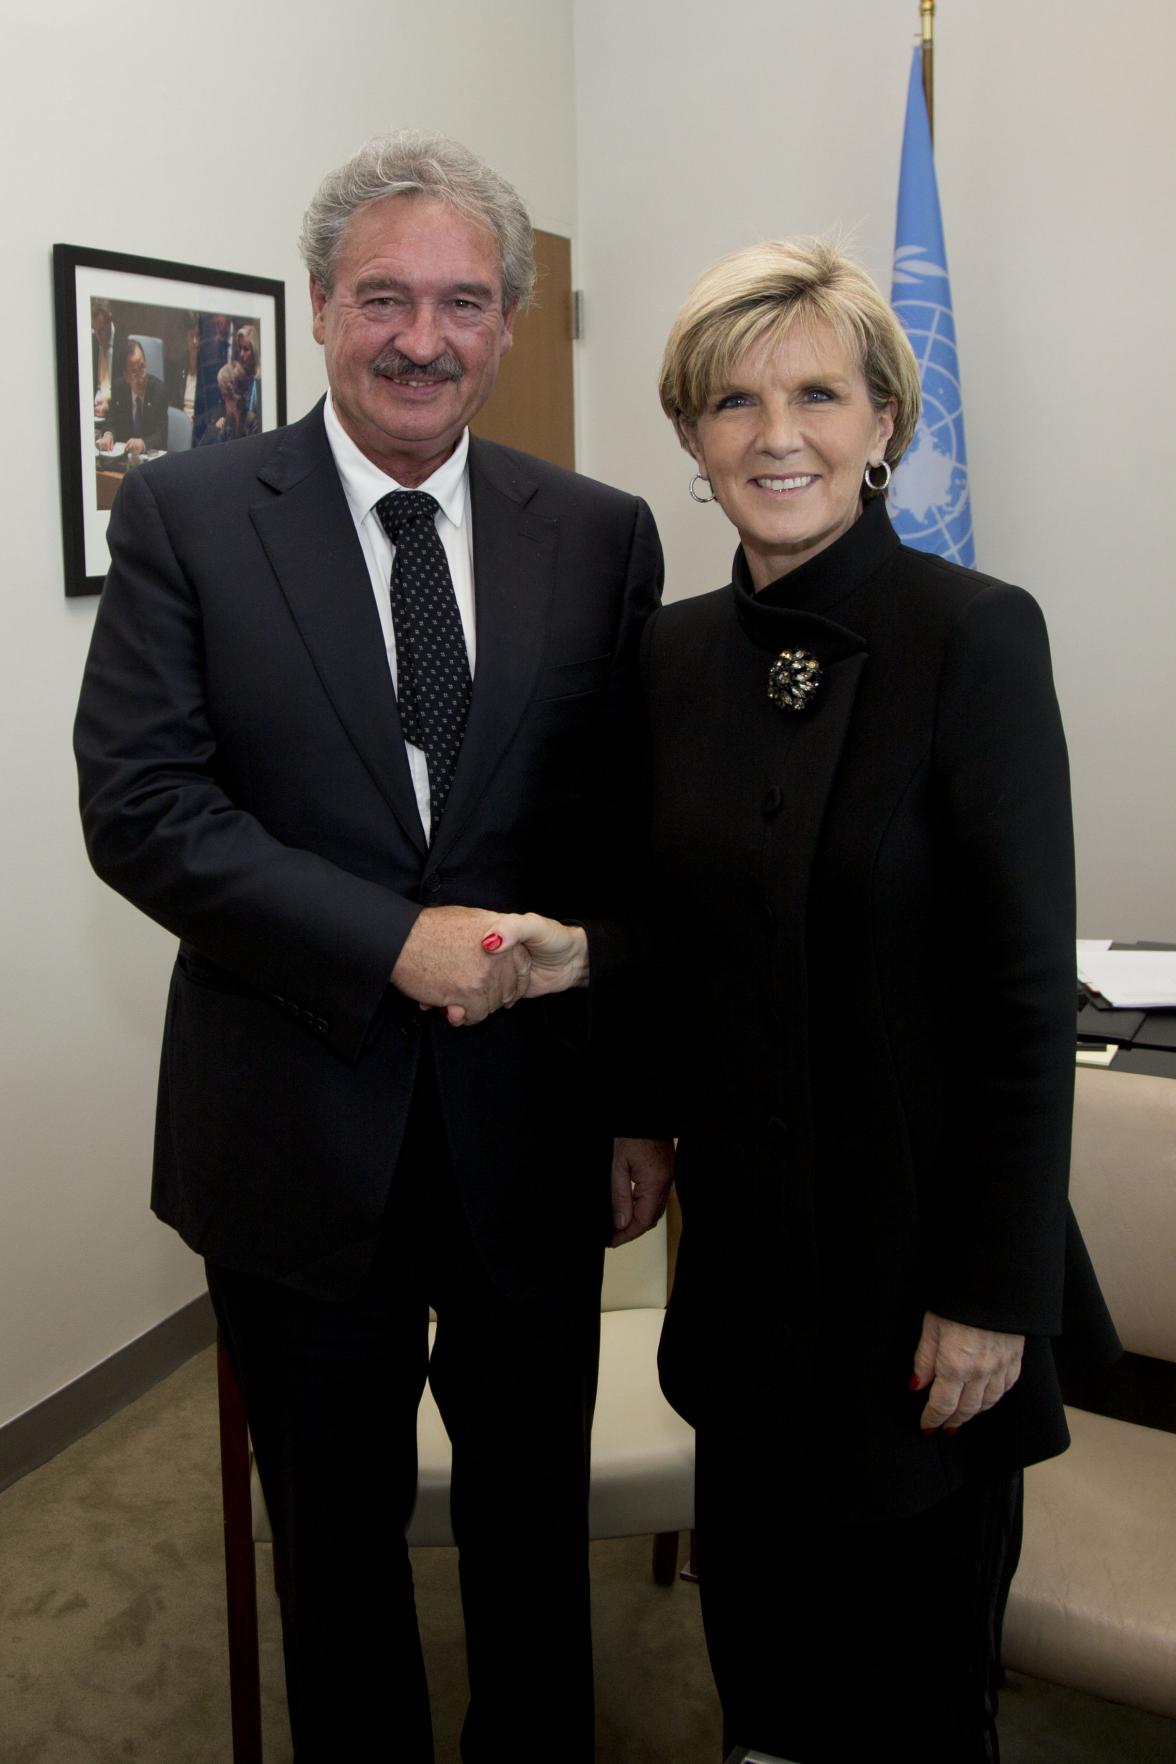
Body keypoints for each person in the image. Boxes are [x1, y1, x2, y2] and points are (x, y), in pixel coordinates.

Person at [74, 131, 671, 1763]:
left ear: (508, 319)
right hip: (290, 1127)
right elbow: (141, 805)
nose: (424, 337)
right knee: (332, 1543)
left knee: (529, 1528)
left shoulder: (601, 532)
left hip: (533, 1134)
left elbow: (629, 848)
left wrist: (638, 1101)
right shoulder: (190, 511)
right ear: (322, 306)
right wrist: (385, 940)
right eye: (386, 297)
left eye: (464, 301)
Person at [481, 238, 1118, 1762]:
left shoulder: (977, 635)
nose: (778, 435)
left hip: (923, 1277)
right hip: (752, 1265)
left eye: (820, 394)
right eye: (734, 402)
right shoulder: (675, 655)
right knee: (762, 1673)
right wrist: (634, 1108)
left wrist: (988, 1293)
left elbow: (1027, 1002)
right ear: (693, 441)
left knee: (907, 1694)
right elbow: (666, 925)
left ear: (885, 423)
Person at [98, 337, 167, 455]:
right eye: (134, 372)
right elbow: (111, 420)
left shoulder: (158, 390)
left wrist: (143, 443)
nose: (142, 377)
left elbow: (161, 434)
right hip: (124, 457)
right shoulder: (118, 388)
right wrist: (108, 434)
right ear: (125, 376)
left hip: (149, 458)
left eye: (142, 367)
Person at [197, 359, 259, 444]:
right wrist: (215, 431)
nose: (222, 398)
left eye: (224, 394)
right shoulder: (228, 421)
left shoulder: (252, 421)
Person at [231, 321, 261, 421]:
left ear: (255, 350)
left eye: (246, 349)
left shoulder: (259, 380)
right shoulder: (240, 375)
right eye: (240, 348)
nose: (241, 353)